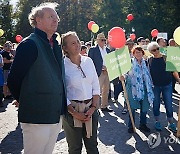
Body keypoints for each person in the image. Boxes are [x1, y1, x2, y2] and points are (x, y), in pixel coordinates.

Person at [7, 2, 67, 154]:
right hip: (37, 115)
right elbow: (14, 79)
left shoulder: (55, 45)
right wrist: (27, 100)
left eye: (56, 17)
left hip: (55, 112)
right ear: (38, 20)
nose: (56, 20)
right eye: (51, 16)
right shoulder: (30, 44)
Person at [62, 31, 100, 154]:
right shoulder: (62, 65)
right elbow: (61, 92)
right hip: (72, 111)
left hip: (90, 109)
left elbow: (95, 85)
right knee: (74, 148)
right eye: (73, 43)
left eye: (78, 41)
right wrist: (74, 112)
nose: (77, 45)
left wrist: (93, 107)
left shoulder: (88, 61)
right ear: (65, 48)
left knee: (92, 146)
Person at [120, 46, 154, 133]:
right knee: (132, 107)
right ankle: (131, 126)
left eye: (140, 52)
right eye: (136, 52)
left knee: (145, 107)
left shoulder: (146, 63)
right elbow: (126, 73)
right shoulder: (129, 62)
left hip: (145, 88)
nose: (138, 54)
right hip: (133, 88)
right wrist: (123, 76)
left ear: (143, 53)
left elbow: (149, 74)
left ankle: (143, 125)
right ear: (133, 54)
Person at [147, 42, 177, 133]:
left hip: (167, 84)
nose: (156, 51)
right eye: (153, 50)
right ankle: (157, 122)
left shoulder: (166, 58)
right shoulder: (149, 60)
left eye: (157, 48)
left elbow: (173, 70)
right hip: (155, 86)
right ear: (150, 51)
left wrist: (178, 79)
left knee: (169, 104)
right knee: (156, 105)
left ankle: (171, 123)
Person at [88, 33, 113, 112]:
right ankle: (96, 107)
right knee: (97, 91)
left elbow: (110, 60)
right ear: (97, 41)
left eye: (104, 40)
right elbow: (90, 61)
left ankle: (104, 106)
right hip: (98, 72)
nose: (103, 41)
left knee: (106, 90)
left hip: (107, 71)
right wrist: (99, 67)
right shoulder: (93, 49)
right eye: (102, 40)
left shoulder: (108, 50)